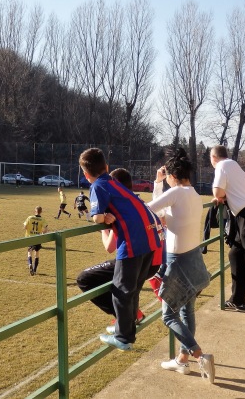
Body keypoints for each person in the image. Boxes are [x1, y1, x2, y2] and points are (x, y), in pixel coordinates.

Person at [79, 147, 161, 351]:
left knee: (121, 291)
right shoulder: (115, 182)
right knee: (132, 289)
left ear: (86, 174)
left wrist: (99, 217)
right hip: (150, 240)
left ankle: (123, 337)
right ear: (106, 167)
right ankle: (125, 329)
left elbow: (97, 217)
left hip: (133, 242)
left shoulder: (98, 185)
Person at [147, 148, 215, 381]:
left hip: (177, 262)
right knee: (187, 311)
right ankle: (182, 361)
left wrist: (159, 184)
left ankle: (198, 355)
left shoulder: (175, 192)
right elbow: (163, 212)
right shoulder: (193, 194)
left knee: (168, 315)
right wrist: (159, 183)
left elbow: (149, 210)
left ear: (173, 176)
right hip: (193, 258)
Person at [211, 145, 245, 312]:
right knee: (235, 253)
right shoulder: (232, 164)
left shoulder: (222, 165)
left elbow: (217, 192)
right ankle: (237, 298)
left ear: (213, 157)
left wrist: (220, 196)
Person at [23, 206, 49, 275]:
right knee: (37, 253)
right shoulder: (42, 219)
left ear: (35, 211)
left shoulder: (30, 217)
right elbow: (45, 230)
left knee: (29, 251)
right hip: (38, 238)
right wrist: (43, 233)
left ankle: (30, 263)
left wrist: (29, 229)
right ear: (41, 211)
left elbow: (25, 227)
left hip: (30, 237)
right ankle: (34, 270)